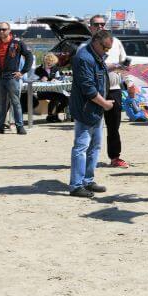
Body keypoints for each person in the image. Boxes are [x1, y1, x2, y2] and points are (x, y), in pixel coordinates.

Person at [68, 30, 113, 198]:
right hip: (86, 108)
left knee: (95, 146)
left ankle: (88, 180)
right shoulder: (84, 58)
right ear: (96, 42)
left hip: (95, 109)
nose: (106, 51)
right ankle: (76, 185)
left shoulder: (95, 56)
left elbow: (96, 78)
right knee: (81, 147)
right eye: (105, 48)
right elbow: (89, 88)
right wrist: (105, 104)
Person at [81, 15, 129, 168]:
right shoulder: (85, 47)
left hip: (114, 89)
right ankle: (89, 157)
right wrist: (111, 66)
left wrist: (129, 83)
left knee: (114, 126)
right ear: (90, 27)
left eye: (103, 24)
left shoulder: (116, 43)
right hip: (95, 92)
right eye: (97, 24)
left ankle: (115, 157)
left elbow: (124, 65)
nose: (101, 27)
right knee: (92, 126)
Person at [0, 22, 34, 135]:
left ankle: (20, 127)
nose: (1, 31)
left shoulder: (17, 43)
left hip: (12, 77)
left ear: (9, 30)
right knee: (1, 104)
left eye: (4, 29)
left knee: (16, 102)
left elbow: (29, 56)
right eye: (0, 29)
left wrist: (23, 71)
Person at [32, 53, 68, 122]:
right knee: (56, 97)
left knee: (65, 99)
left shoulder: (55, 69)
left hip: (54, 90)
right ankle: (51, 116)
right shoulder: (38, 70)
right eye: (48, 63)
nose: (50, 65)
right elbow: (33, 80)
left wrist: (56, 79)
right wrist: (40, 80)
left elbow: (59, 78)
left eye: (52, 63)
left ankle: (54, 114)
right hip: (41, 91)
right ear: (45, 61)